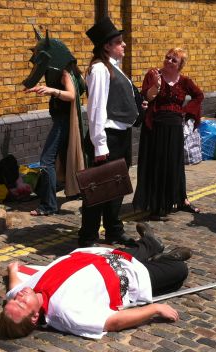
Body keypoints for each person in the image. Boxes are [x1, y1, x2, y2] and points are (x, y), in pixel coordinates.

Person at [0, 223, 192, 339]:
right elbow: (112, 323)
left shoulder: (24, 293)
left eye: (14, 301)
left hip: (102, 257)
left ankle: (151, 244)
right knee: (179, 270)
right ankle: (168, 259)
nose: (19, 297)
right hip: (125, 278)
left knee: (142, 249)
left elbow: (13, 289)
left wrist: (13, 270)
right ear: (34, 317)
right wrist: (154, 309)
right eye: (21, 303)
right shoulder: (65, 314)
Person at [78, 17, 140, 247]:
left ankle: (114, 230)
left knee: (116, 187)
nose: (124, 45)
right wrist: (100, 145)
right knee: (98, 191)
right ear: (107, 46)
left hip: (120, 135)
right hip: (107, 137)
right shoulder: (99, 70)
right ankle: (88, 236)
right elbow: (95, 110)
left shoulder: (113, 67)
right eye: (119, 42)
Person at [133, 48, 204, 221]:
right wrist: (156, 86)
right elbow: (147, 98)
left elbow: (199, 95)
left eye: (174, 60)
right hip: (155, 127)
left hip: (174, 128)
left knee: (175, 164)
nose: (169, 61)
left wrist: (186, 111)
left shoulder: (184, 81)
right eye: (167, 57)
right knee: (157, 164)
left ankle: (181, 199)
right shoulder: (153, 74)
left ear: (180, 65)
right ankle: (156, 204)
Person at [23, 29, 86, 216]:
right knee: (65, 158)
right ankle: (77, 192)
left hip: (63, 121)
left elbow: (72, 94)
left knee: (46, 161)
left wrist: (52, 91)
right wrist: (41, 88)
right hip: (65, 120)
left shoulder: (65, 72)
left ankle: (49, 205)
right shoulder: (70, 70)